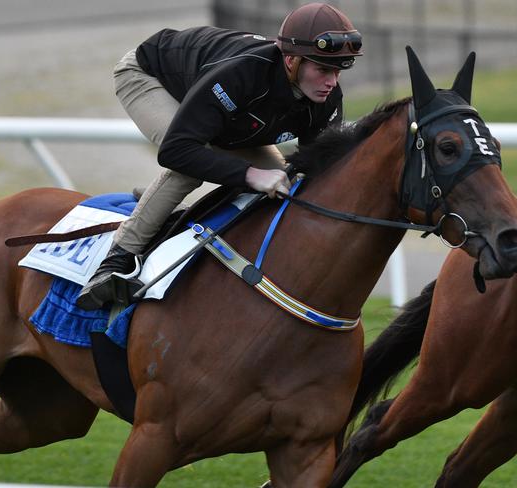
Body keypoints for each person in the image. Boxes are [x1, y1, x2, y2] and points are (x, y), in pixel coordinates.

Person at [76, 2, 363, 310]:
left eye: (337, 70)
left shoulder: (327, 96)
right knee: (191, 167)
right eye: (322, 69)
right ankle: (116, 261)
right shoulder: (242, 73)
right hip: (151, 77)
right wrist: (251, 174)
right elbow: (178, 150)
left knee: (287, 189)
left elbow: (316, 170)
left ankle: (165, 209)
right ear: (291, 61)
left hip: (227, 113)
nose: (332, 82)